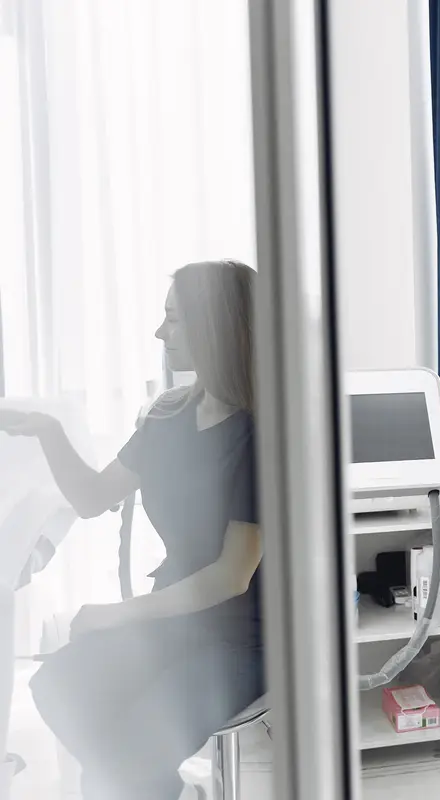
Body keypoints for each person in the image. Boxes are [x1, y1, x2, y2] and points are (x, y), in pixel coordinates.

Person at [0, 260, 264, 800]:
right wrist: (48, 431)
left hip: (243, 637)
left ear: (213, 325)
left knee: (130, 751)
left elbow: (229, 578)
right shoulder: (167, 418)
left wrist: (114, 615)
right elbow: (94, 497)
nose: (159, 333)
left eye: (174, 319)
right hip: (172, 620)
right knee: (59, 686)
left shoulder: (260, 433)